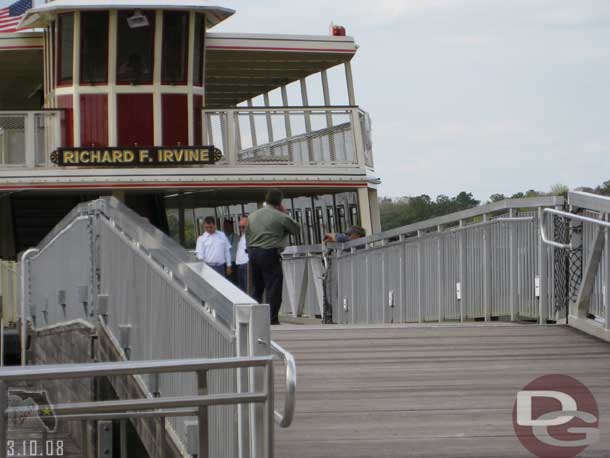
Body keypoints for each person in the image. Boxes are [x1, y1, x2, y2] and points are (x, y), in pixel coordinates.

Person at [246, 189, 300, 325]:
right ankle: (271, 319)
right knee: (273, 286)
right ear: (280, 202)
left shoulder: (252, 216)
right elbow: (296, 230)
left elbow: (247, 235)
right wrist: (285, 213)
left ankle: (254, 319)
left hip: (253, 253)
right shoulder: (280, 216)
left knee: (256, 288)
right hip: (269, 253)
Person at [235, 216, 250, 292]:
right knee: (241, 289)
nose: (241, 229)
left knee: (246, 288)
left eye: (243, 227)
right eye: (239, 227)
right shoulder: (243, 236)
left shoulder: (250, 236)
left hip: (246, 265)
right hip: (240, 265)